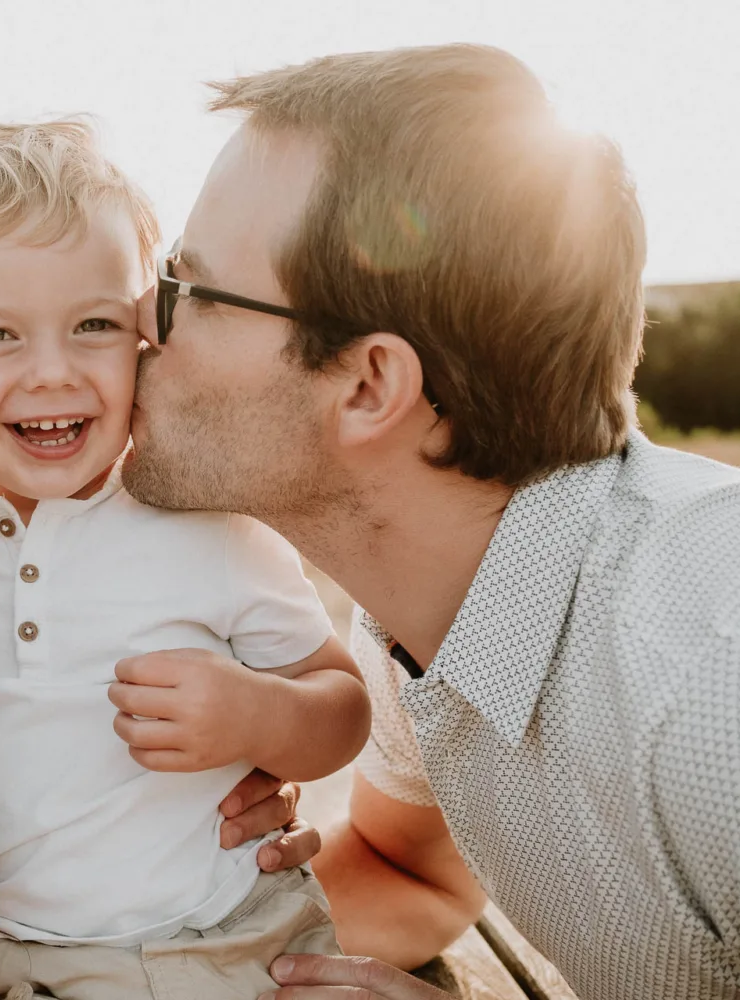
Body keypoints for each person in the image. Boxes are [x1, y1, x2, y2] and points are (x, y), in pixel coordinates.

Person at [122, 44, 740, 1000]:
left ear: (370, 386)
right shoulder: (436, 611)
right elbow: (405, 871)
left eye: (187, 289)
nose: (137, 324)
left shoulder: (710, 673)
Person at [0, 120, 371, 1000]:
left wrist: (256, 713)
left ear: (144, 332)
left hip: (221, 939)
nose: (52, 373)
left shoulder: (210, 525)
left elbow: (343, 708)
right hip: (4, 956)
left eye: (93, 323)